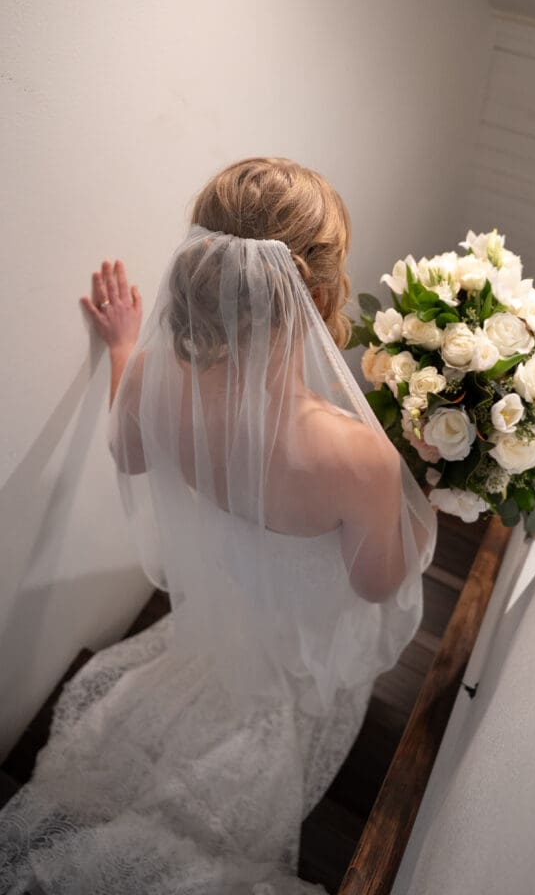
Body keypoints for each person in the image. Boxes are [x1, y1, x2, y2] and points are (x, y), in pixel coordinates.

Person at [0, 157, 436, 894]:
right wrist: (401, 485)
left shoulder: (150, 377)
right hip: (293, 632)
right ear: (321, 293)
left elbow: (125, 449)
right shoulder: (355, 455)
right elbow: (375, 584)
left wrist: (119, 347)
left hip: (220, 600)